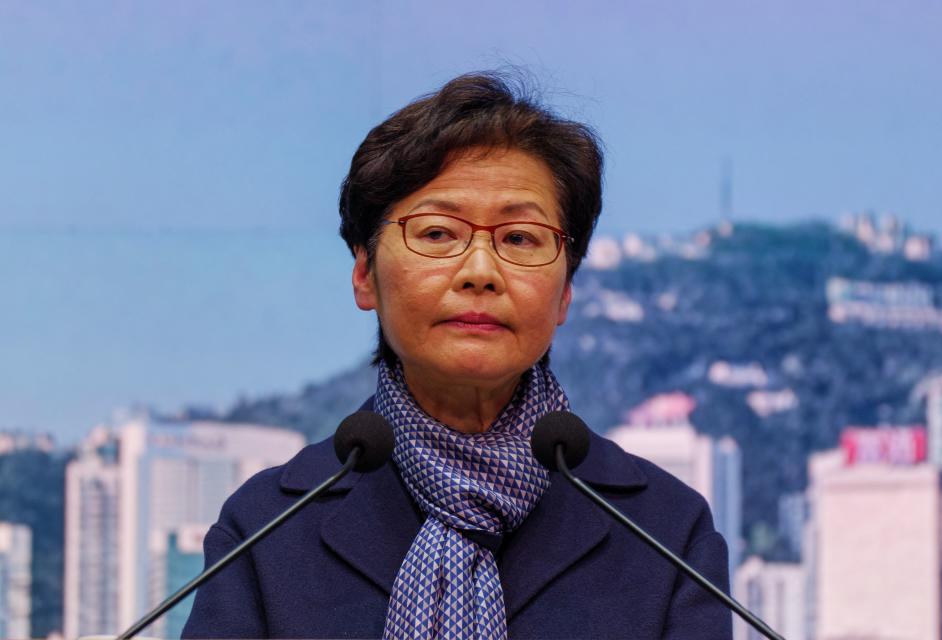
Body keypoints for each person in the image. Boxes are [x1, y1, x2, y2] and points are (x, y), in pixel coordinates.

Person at [183, 72, 732, 639]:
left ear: (566, 290)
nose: (479, 273)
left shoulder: (664, 531)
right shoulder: (267, 529)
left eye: (520, 238)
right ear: (365, 273)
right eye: (438, 233)